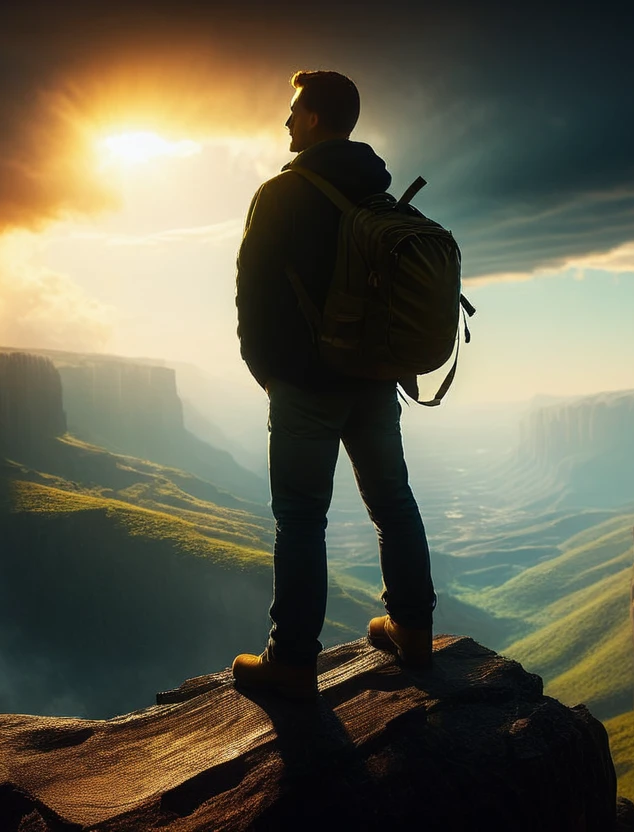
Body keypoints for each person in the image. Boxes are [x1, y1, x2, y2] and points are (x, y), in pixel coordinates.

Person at [231, 70, 438, 702]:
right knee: (393, 503)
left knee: (299, 519)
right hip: (373, 379)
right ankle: (413, 628)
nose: (287, 122)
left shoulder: (281, 194)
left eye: (294, 110)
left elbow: (252, 289)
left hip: (306, 384)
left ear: (316, 119)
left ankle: (292, 659)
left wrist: (269, 372)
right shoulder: (377, 194)